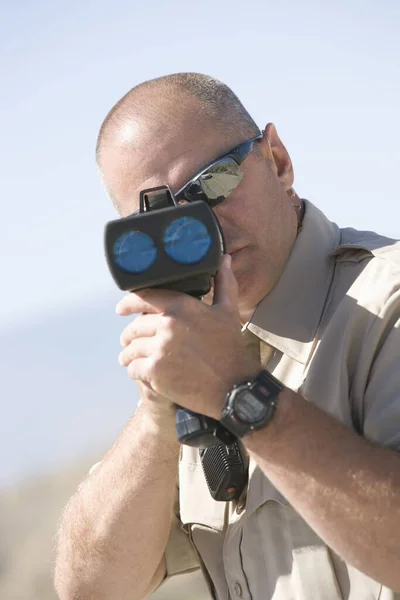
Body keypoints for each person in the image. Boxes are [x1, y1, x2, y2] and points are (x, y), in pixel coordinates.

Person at [54, 73, 400, 600]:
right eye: (161, 217)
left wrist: (240, 395)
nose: (199, 230)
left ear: (278, 162)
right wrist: (158, 409)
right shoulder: (192, 362)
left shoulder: (386, 303)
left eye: (211, 185)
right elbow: (91, 589)